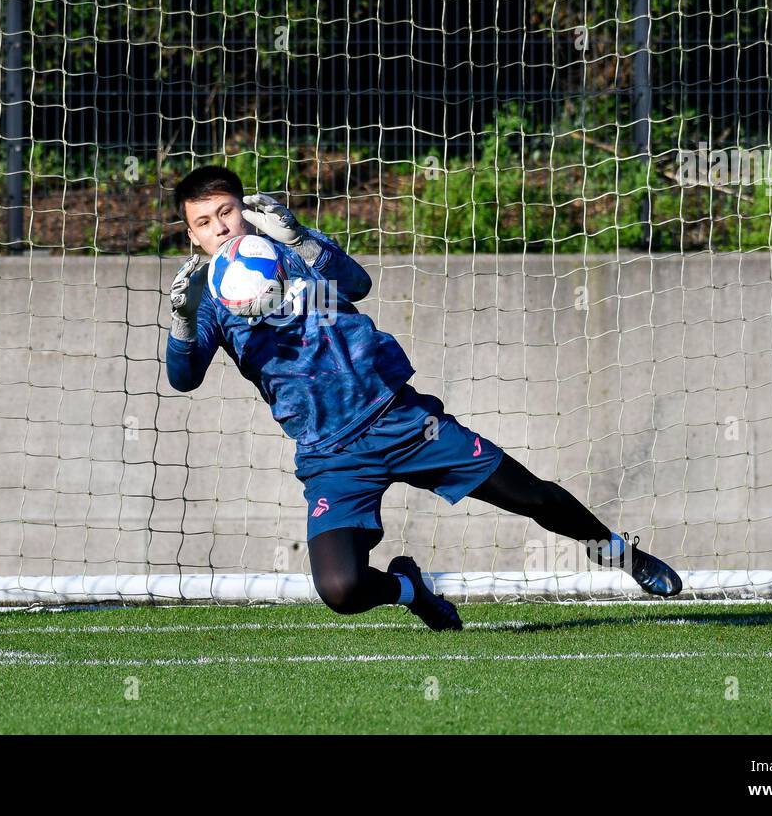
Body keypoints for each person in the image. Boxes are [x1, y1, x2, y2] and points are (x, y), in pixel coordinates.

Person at [165, 166, 682, 630]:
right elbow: (185, 379)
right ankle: (408, 589)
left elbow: (357, 284)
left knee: (533, 497)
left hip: (403, 420)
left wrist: (299, 238)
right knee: (341, 590)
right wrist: (184, 323)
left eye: (227, 212)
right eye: (205, 222)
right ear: (193, 235)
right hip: (332, 456)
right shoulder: (205, 299)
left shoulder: (289, 251)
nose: (221, 227)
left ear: (245, 209)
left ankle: (624, 556)